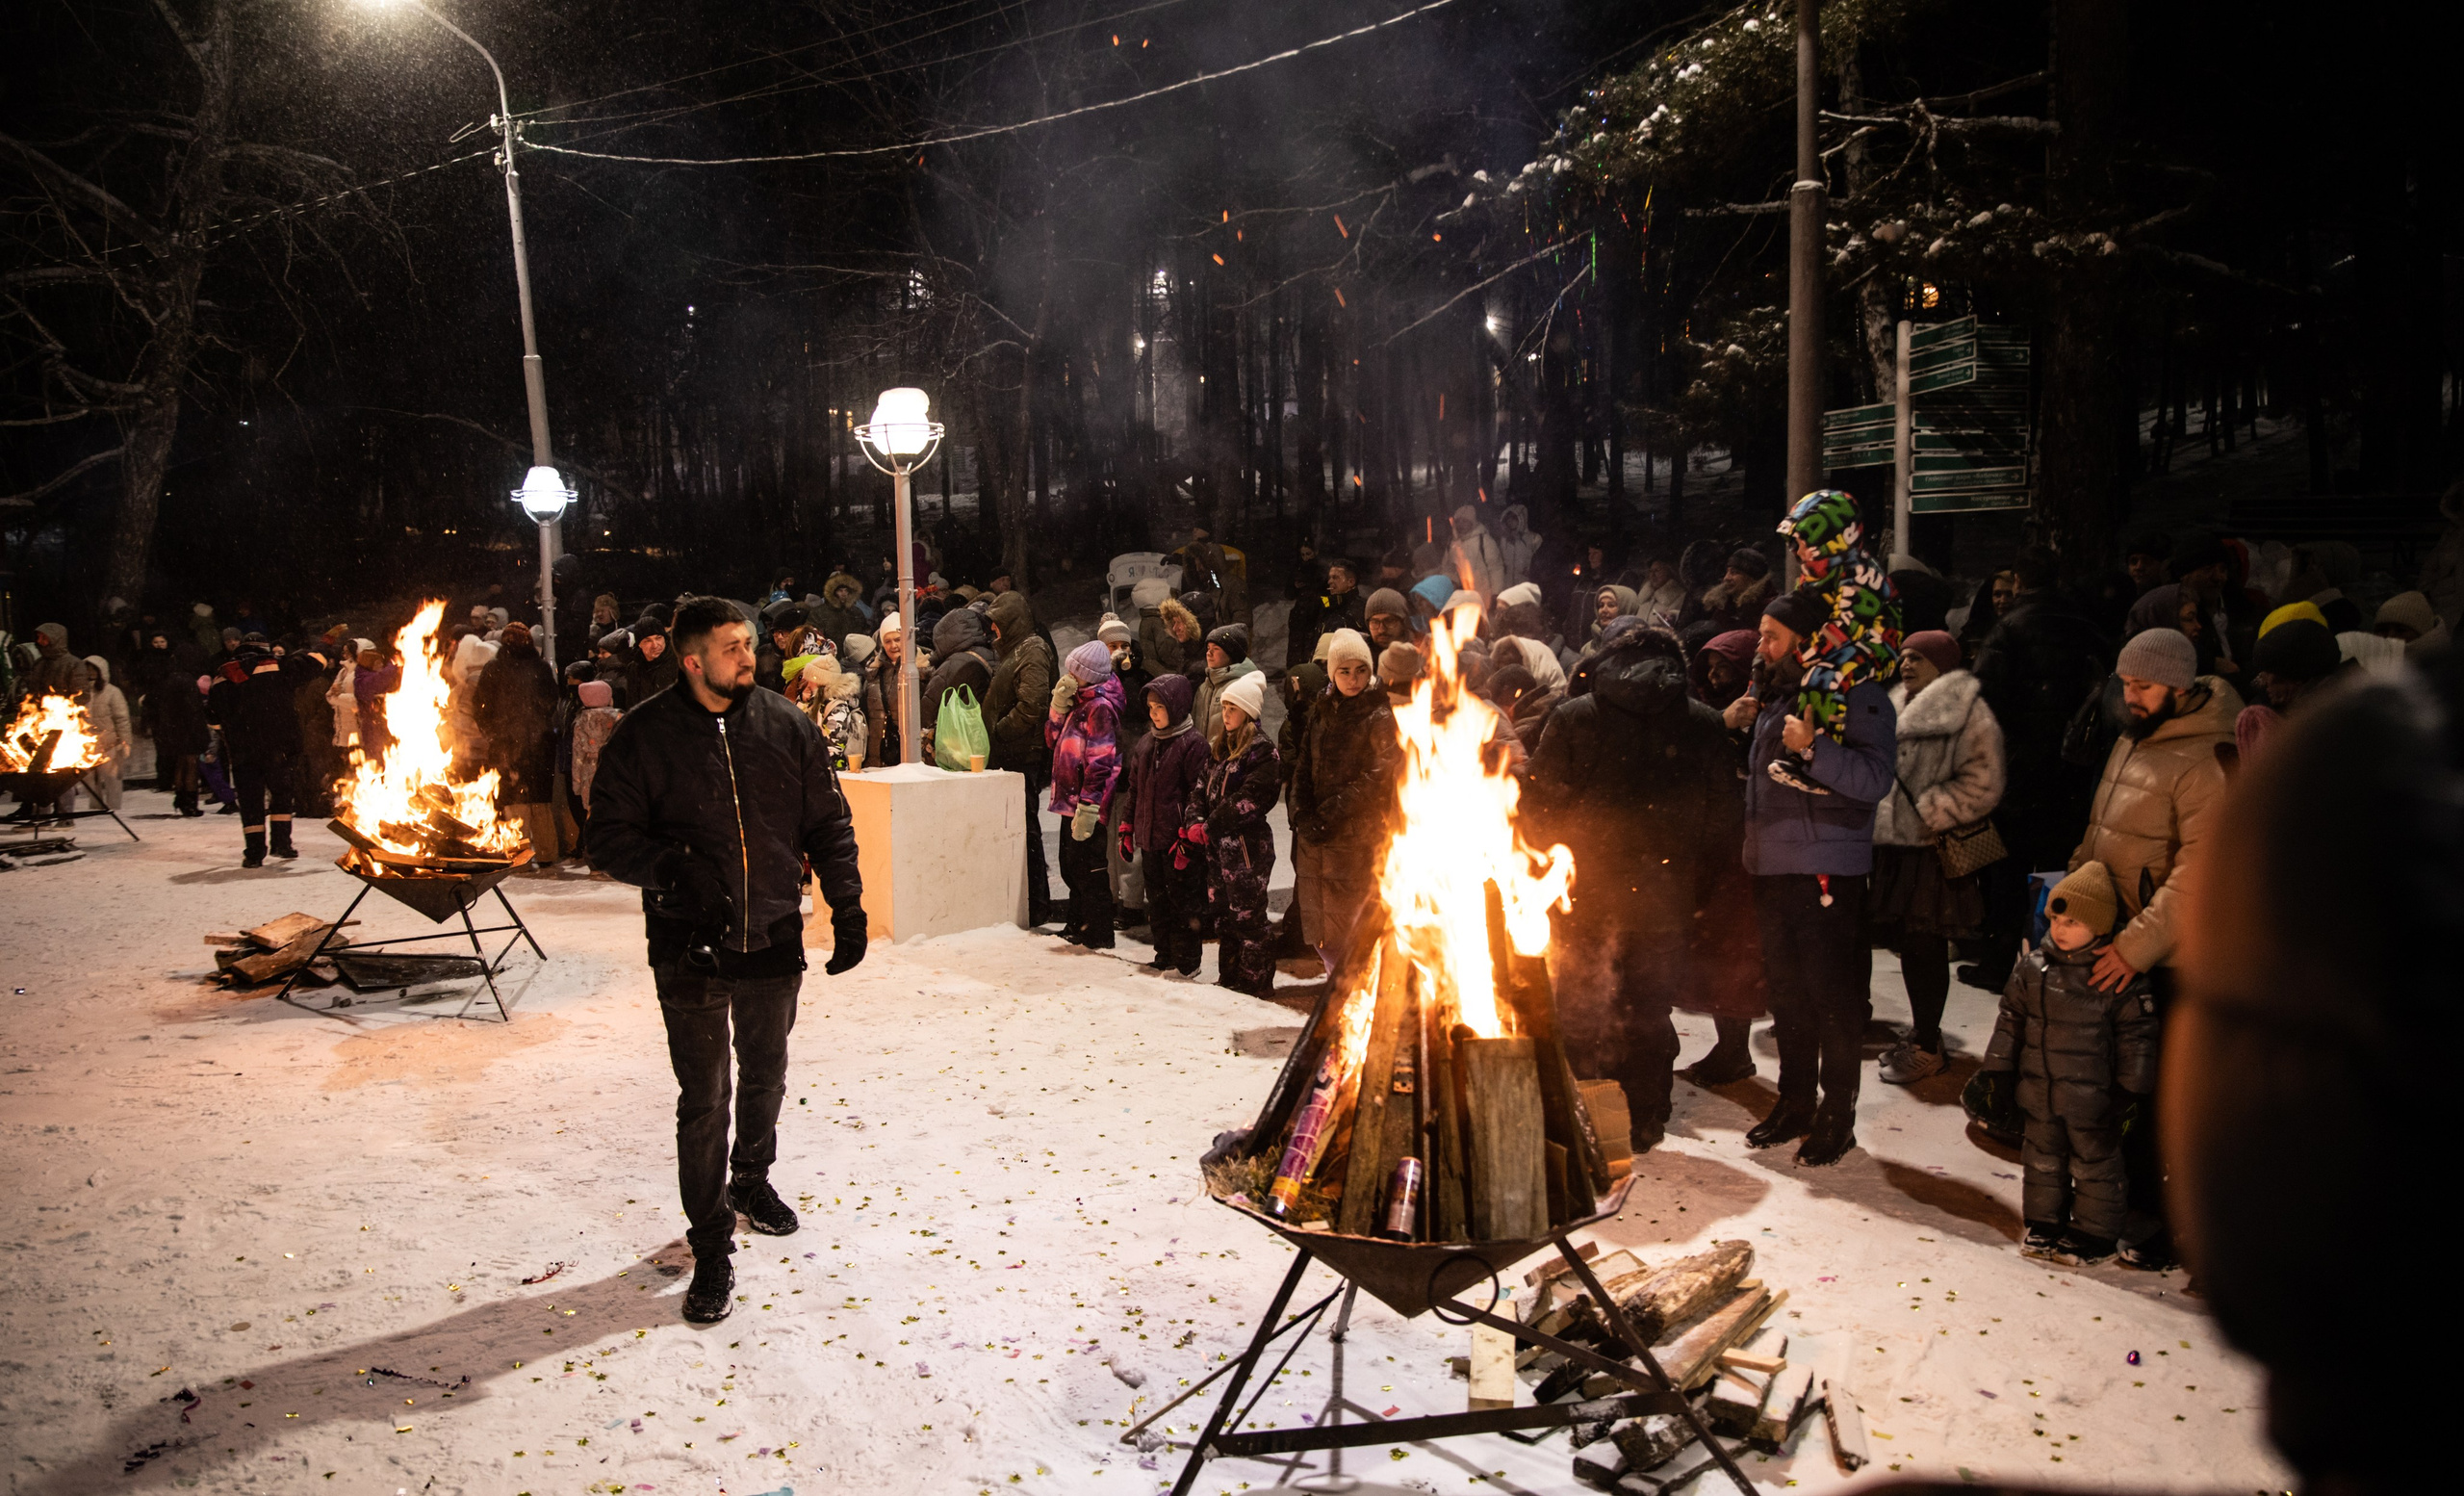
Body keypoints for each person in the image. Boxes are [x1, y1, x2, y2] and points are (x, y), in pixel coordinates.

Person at [584, 597, 867, 1325]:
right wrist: (674, 869)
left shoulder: (785, 722)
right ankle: (710, 1244)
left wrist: (849, 905)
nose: (750, 657)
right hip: (690, 945)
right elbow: (608, 838)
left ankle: (750, 1181)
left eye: (749, 644)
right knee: (704, 1098)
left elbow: (828, 821)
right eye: (734, 647)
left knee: (766, 1074)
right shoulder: (644, 738)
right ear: (692, 661)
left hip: (772, 931)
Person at [1526, 621, 1735, 1151]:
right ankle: (1643, 1117)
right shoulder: (1704, 724)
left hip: (1582, 892)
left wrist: (1554, 875)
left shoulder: (1576, 717)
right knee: (1648, 1007)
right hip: (1665, 892)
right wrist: (1690, 883)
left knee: (1579, 1004)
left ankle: (1580, 1117)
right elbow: (1722, 823)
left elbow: (1538, 810)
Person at [2067, 624, 2238, 1270]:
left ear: (2179, 685)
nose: (2129, 697)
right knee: (2116, 1087)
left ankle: (2174, 1223)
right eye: (2126, 684)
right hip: (2115, 942)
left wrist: (2135, 948)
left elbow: (2198, 876)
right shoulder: (2135, 737)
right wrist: (2075, 898)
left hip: (2167, 962)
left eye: (2142, 686)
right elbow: (2101, 829)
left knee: (2164, 1097)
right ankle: (2127, 1201)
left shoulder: (2205, 760)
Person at [1725, 585, 1897, 1165]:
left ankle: (1836, 1114)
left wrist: (1817, 748)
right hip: (1774, 867)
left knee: (1832, 998)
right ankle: (1795, 1100)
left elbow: (1875, 779)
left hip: (1826, 868)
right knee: (1789, 995)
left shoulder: (1856, 694)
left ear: (1808, 640)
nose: (1762, 645)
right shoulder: (1777, 696)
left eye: (1773, 636)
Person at [1968, 861, 2157, 1266]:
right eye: (2056, 918)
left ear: (2100, 926)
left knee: (2096, 1165)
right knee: (2041, 1160)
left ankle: (2094, 1232)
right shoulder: (2033, 968)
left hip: (2093, 1101)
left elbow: (2136, 1038)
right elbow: (2010, 1021)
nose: (2060, 929)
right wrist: (1997, 1072)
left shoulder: (2116, 978)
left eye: (2073, 921)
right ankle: (2045, 1223)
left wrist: (2130, 1092)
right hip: (2039, 1092)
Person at [1966, 546, 2111, 991]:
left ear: (2021, 584)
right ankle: (2055, 960)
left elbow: (1984, 702)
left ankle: (1998, 964)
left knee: (2006, 871)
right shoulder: (2086, 627)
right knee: (2054, 870)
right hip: (2069, 771)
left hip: (2016, 769)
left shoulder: (2008, 630)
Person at [1869, 630, 2006, 1083]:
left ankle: (1929, 1045)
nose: (1906, 665)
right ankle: (1924, 1034)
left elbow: (1984, 779)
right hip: (1897, 846)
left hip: (1931, 849)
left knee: (1926, 947)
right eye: (1904, 657)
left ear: (1943, 666)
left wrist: (1933, 810)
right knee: (1910, 947)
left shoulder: (1968, 712)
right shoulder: (1895, 705)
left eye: (1919, 659)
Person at [1289, 628, 1399, 970]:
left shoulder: (1378, 717)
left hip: (1355, 836)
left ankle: (1352, 998)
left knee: (1355, 926)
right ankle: (1337, 990)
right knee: (1323, 927)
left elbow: (1379, 775)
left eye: (1361, 670)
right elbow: (1303, 767)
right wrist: (1301, 812)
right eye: (1344, 671)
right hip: (1317, 837)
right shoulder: (1320, 714)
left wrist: (1333, 812)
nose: (1353, 679)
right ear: (1332, 674)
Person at [1189, 670, 1279, 997]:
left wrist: (1210, 825)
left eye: (1233, 709)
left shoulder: (1262, 751)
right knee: (1224, 918)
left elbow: (1250, 799)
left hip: (1246, 850)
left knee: (1248, 918)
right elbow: (1199, 789)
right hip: (1217, 851)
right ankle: (1229, 980)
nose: (1225, 715)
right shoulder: (1219, 748)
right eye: (1224, 708)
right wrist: (1195, 821)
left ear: (1248, 713)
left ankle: (1256, 983)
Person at [206, 634, 331, 866]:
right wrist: (325, 641)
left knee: (250, 800)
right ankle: (282, 844)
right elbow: (315, 663)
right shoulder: (277, 666)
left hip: (243, 750)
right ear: (265, 649)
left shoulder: (222, 676)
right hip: (280, 745)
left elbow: (212, 718)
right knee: (282, 795)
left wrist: (233, 728)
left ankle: (254, 852)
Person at [1116, 674, 1211, 975]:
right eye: (1151, 707)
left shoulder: (1192, 745)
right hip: (1151, 838)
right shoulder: (1147, 743)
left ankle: (1187, 961)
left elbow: (1199, 792)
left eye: (1160, 707)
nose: (1154, 713)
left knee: (1182, 902)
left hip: (1177, 841)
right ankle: (1164, 953)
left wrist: (1188, 834)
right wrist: (1127, 827)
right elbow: (1136, 791)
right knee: (1157, 902)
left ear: (1177, 706)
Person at [981, 589, 1058, 922]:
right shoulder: (1016, 650)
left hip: (1022, 756)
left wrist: (999, 731)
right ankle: (1029, 904)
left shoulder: (1033, 650)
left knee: (1027, 831)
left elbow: (1032, 706)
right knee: (1022, 830)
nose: (992, 629)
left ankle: (1036, 905)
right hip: (1013, 756)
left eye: (996, 623)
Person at [1046, 641, 1125, 947]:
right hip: (1070, 800)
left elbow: (1101, 760)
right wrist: (1058, 705)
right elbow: (1053, 738)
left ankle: (1098, 929)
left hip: (1086, 804)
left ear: (1086, 675)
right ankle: (1077, 920)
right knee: (1070, 863)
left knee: (1088, 866)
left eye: (1073, 670)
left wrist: (1089, 805)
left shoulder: (1099, 709)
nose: (1068, 674)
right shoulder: (1078, 703)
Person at [475, 622, 564, 865]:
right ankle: (546, 854)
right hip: (539, 744)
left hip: (506, 745)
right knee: (540, 802)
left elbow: (480, 706)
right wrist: (539, 724)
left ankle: (518, 857)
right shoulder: (541, 667)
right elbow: (551, 701)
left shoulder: (494, 668)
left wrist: (492, 732)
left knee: (514, 802)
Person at [2234, 617, 2342, 766]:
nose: (2263, 681)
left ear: (2296, 677)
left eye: (2268, 671)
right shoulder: (2349, 699)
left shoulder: (2318, 730)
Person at [146, 635, 213, 817]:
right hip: (188, 730)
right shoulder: (187, 680)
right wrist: (200, 733)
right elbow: (193, 710)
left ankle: (181, 798)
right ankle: (189, 802)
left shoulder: (169, 678)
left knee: (180, 765)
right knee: (190, 765)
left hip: (173, 729)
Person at [919, 606, 995, 761]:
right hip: (986, 743)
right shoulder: (993, 654)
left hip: (957, 749)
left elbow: (927, 711)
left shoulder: (953, 664)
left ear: (943, 637)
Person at [73, 656, 134, 811]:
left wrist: (125, 741)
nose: (90, 672)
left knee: (112, 778)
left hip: (109, 743)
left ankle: (114, 807)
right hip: (86, 743)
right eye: (87, 669)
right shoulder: (80, 692)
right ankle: (95, 807)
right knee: (89, 780)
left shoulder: (113, 692)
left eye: (94, 669)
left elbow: (122, 718)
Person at [1193, 624, 1261, 756]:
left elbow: (1246, 731)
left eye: (1216, 648)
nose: (1209, 653)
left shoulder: (1241, 687)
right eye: (1208, 648)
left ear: (1231, 654)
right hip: (1203, 762)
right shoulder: (1204, 687)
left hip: (1227, 758)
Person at [1288, 557, 1367, 672]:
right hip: (1324, 674)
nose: (1329, 581)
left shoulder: (1360, 609)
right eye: (1329, 577)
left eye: (1335, 577)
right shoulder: (1327, 607)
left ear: (1351, 582)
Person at [1445, 504, 1507, 603]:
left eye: (1464, 521)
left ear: (1472, 522)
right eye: (1458, 521)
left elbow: (1496, 568)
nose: (1461, 525)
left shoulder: (1484, 541)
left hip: (1484, 596)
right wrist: (1452, 584)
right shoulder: (1452, 543)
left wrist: (1496, 593)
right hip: (1462, 597)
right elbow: (1448, 568)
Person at [1689, 629, 1756, 712]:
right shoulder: (1703, 703)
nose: (1711, 674)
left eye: (1722, 666)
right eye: (1710, 666)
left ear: (1742, 669)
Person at [1495, 503, 1541, 586]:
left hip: (1525, 584)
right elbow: (1498, 561)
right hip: (1507, 585)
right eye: (1508, 519)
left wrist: (1531, 571)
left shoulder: (1534, 539)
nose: (1510, 521)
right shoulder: (1504, 540)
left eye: (1514, 518)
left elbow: (1539, 562)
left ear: (1521, 518)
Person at [1363, 589, 1410, 654]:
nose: (1381, 630)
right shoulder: (1361, 654)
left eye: (1389, 621)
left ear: (1403, 623)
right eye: (1375, 622)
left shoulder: (1422, 653)